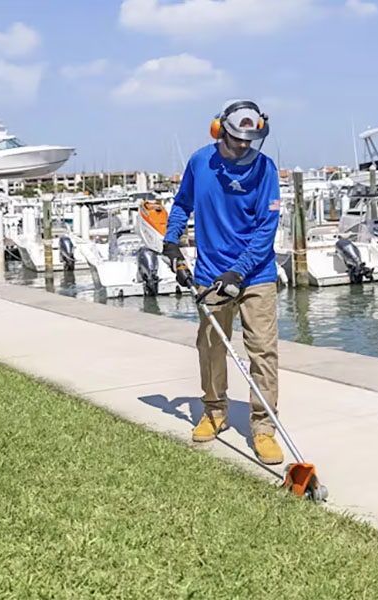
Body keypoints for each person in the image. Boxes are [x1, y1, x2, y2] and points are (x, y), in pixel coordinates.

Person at [162, 99, 283, 465]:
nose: (244, 146)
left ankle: (264, 427)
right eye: (237, 139)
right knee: (212, 346)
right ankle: (214, 411)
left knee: (262, 350)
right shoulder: (201, 162)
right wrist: (171, 240)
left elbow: (266, 228)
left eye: (250, 140)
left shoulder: (265, 169)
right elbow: (182, 204)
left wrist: (239, 271)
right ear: (220, 131)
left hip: (256, 275)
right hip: (211, 274)